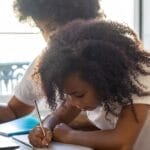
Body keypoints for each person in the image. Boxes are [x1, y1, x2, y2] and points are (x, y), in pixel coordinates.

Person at [28, 19, 150, 149]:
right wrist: (44, 128)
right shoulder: (82, 84)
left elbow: (121, 141)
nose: (73, 102)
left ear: (102, 77)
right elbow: (58, 116)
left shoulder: (140, 77)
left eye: (79, 95)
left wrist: (69, 135)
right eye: (68, 95)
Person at [0, 0, 105, 123]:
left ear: (80, 19)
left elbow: (113, 122)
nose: (47, 37)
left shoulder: (110, 60)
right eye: (41, 30)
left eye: (53, 27)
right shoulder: (46, 62)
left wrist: (56, 124)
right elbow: (14, 110)